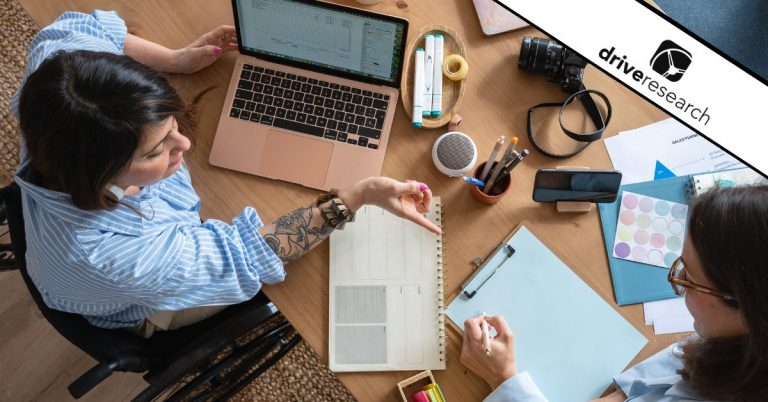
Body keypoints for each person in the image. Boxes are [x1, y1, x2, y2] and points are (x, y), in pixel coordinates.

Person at [13, 10, 440, 337]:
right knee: (285, 294)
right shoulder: (126, 259)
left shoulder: (59, 75)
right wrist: (355, 196)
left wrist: (176, 60)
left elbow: (79, 28)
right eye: (157, 150)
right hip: (138, 304)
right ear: (102, 175)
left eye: (171, 125)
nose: (185, 145)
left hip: (98, 248)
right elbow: (247, 256)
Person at [460, 185, 768, 401]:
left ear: (744, 306)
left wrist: (502, 377)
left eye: (688, 278)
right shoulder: (740, 337)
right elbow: (657, 382)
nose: (677, 283)